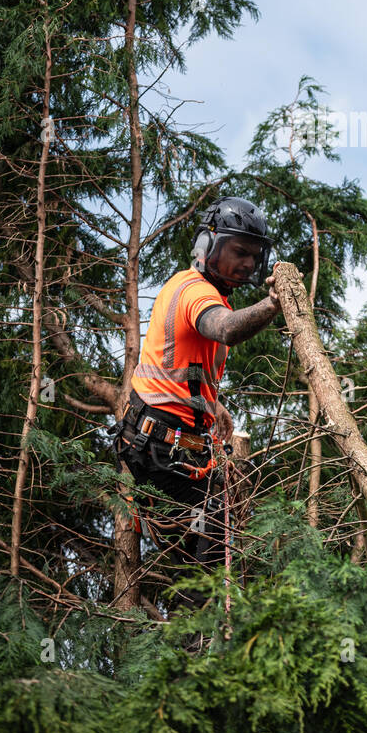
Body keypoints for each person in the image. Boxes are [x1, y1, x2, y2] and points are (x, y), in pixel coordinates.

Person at [114, 197, 280, 610]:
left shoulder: (202, 291)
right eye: (238, 252)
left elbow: (182, 368)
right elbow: (223, 330)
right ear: (208, 245)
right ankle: (195, 658)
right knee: (203, 573)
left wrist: (211, 405)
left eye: (253, 256)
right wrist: (276, 304)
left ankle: (199, 648)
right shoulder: (194, 292)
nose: (245, 264)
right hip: (161, 448)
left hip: (169, 442)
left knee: (210, 557)